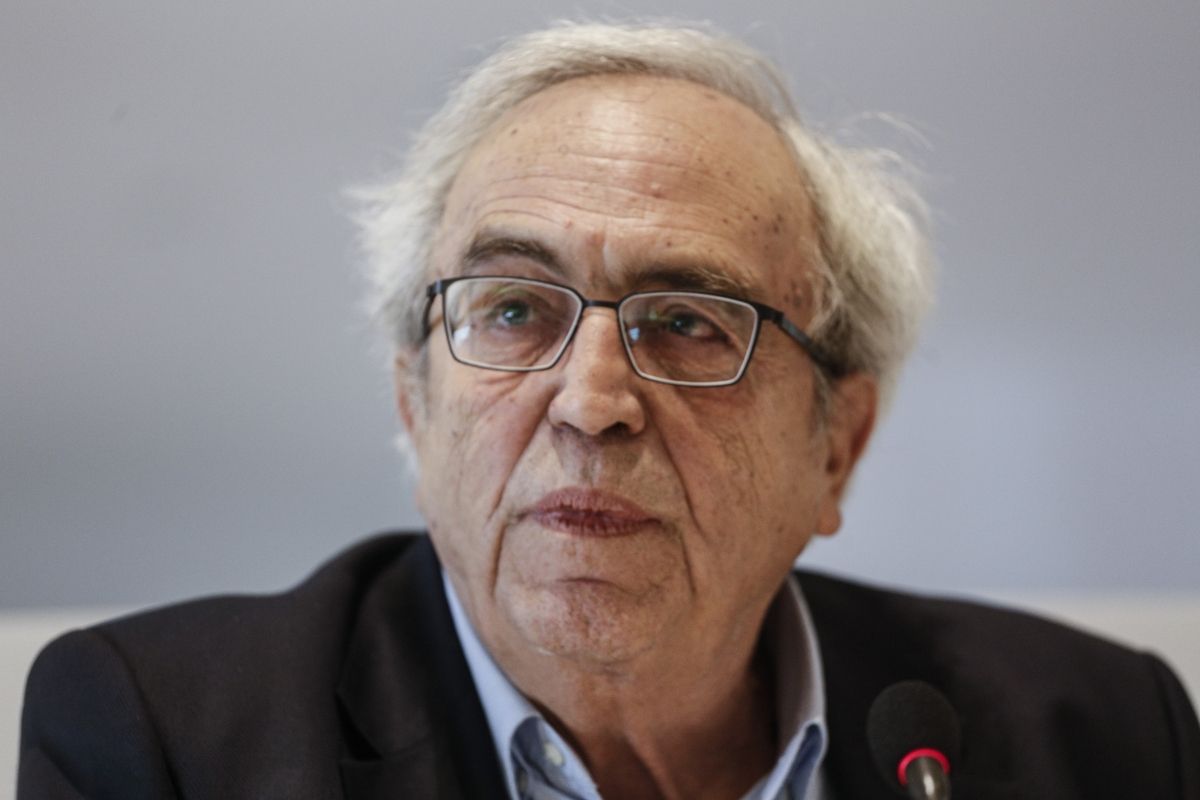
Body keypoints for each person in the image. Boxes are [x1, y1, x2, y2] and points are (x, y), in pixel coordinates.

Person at [19, 21, 1199, 800]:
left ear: (836, 446)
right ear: (414, 407)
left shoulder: (1101, 737)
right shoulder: (165, 738)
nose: (591, 402)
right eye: (513, 310)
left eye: (688, 321)